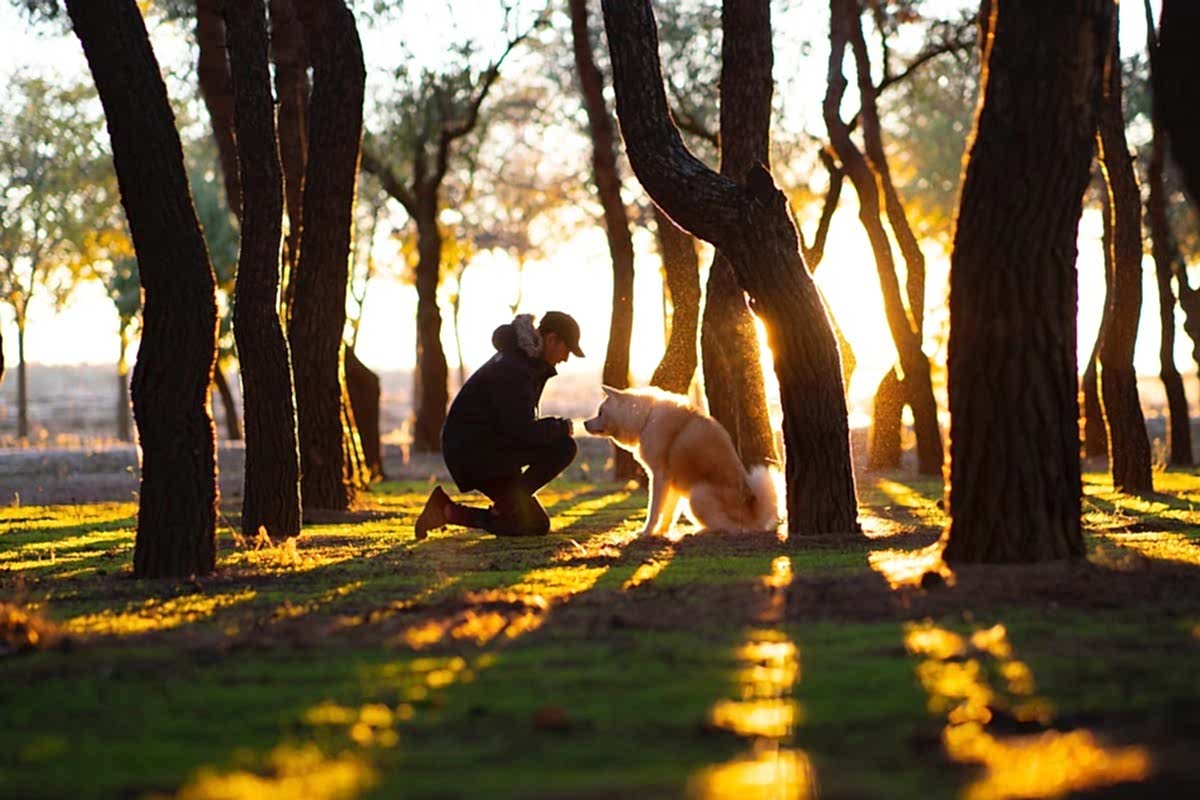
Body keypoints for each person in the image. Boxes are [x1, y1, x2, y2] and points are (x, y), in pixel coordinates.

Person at [414, 311, 584, 539]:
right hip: (474, 452)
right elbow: (522, 431)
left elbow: (516, 427)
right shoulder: (515, 368)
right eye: (567, 350)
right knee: (564, 447)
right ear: (552, 339)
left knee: (533, 525)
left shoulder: (526, 363)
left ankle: (446, 511)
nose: (565, 358)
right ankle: (504, 507)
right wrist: (560, 427)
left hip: (488, 448)